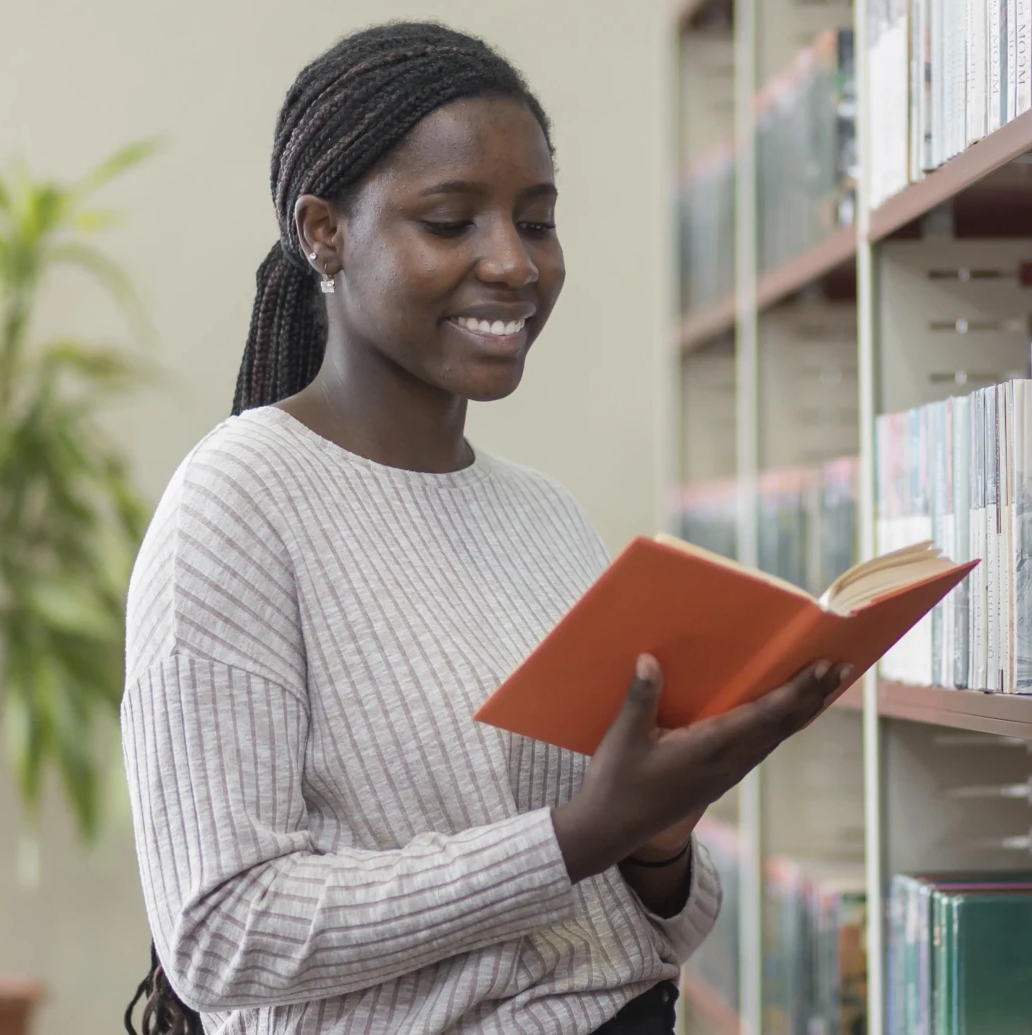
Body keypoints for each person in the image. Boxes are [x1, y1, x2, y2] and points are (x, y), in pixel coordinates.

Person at [119, 22, 847, 1035]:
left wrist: (655, 845)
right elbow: (222, 934)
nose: (512, 264)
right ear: (323, 231)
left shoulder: (543, 516)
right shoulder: (236, 507)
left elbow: (630, 931)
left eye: (536, 221)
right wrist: (574, 837)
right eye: (451, 221)